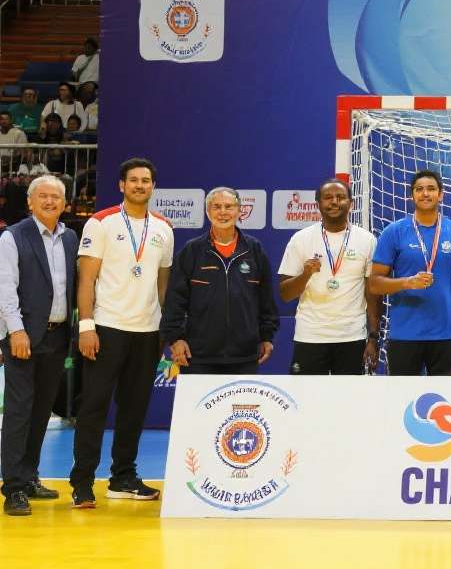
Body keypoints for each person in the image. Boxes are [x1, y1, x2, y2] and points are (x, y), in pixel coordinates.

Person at [70, 158, 175, 508]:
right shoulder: (101, 223)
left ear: (153, 186)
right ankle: (82, 482)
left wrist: (164, 329)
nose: (140, 185)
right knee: (94, 407)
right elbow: (86, 280)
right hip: (106, 328)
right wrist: (87, 326)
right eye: (133, 180)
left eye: (146, 180)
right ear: (121, 185)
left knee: (134, 410)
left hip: (147, 332)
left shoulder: (164, 228)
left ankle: (123, 478)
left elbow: (163, 284)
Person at [0, 176, 77, 516]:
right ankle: (13, 487)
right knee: (19, 411)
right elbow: (5, 288)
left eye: (56, 196)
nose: (49, 201)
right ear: (30, 202)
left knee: (41, 410)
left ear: (64, 203)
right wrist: (16, 331)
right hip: (23, 336)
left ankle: (29, 476)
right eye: (42, 196)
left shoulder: (70, 237)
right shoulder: (12, 237)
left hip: (57, 336)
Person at [369, 169, 451, 376]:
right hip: (404, 335)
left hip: (446, 335)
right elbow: (374, 284)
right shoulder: (394, 232)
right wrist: (407, 282)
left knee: (446, 396)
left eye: (431, 189)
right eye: (419, 189)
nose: (425, 193)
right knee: (402, 395)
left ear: (441, 194)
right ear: (412, 195)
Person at [160, 187, 279, 375]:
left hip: (245, 356)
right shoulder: (192, 250)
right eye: (216, 207)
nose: (223, 212)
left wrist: (267, 336)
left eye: (229, 206)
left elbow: (266, 300)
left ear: (239, 211)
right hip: (198, 356)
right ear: (208, 212)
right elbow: (175, 300)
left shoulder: (254, 250)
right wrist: (175, 338)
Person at [279, 179, 380, 375]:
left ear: (351, 204)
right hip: (310, 335)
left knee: (349, 395)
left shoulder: (367, 240)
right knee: (306, 393)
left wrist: (373, 338)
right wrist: (305, 274)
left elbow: (373, 295)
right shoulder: (300, 239)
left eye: (340, 197)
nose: (334, 202)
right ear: (318, 204)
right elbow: (285, 294)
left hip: (352, 336)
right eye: (328, 197)